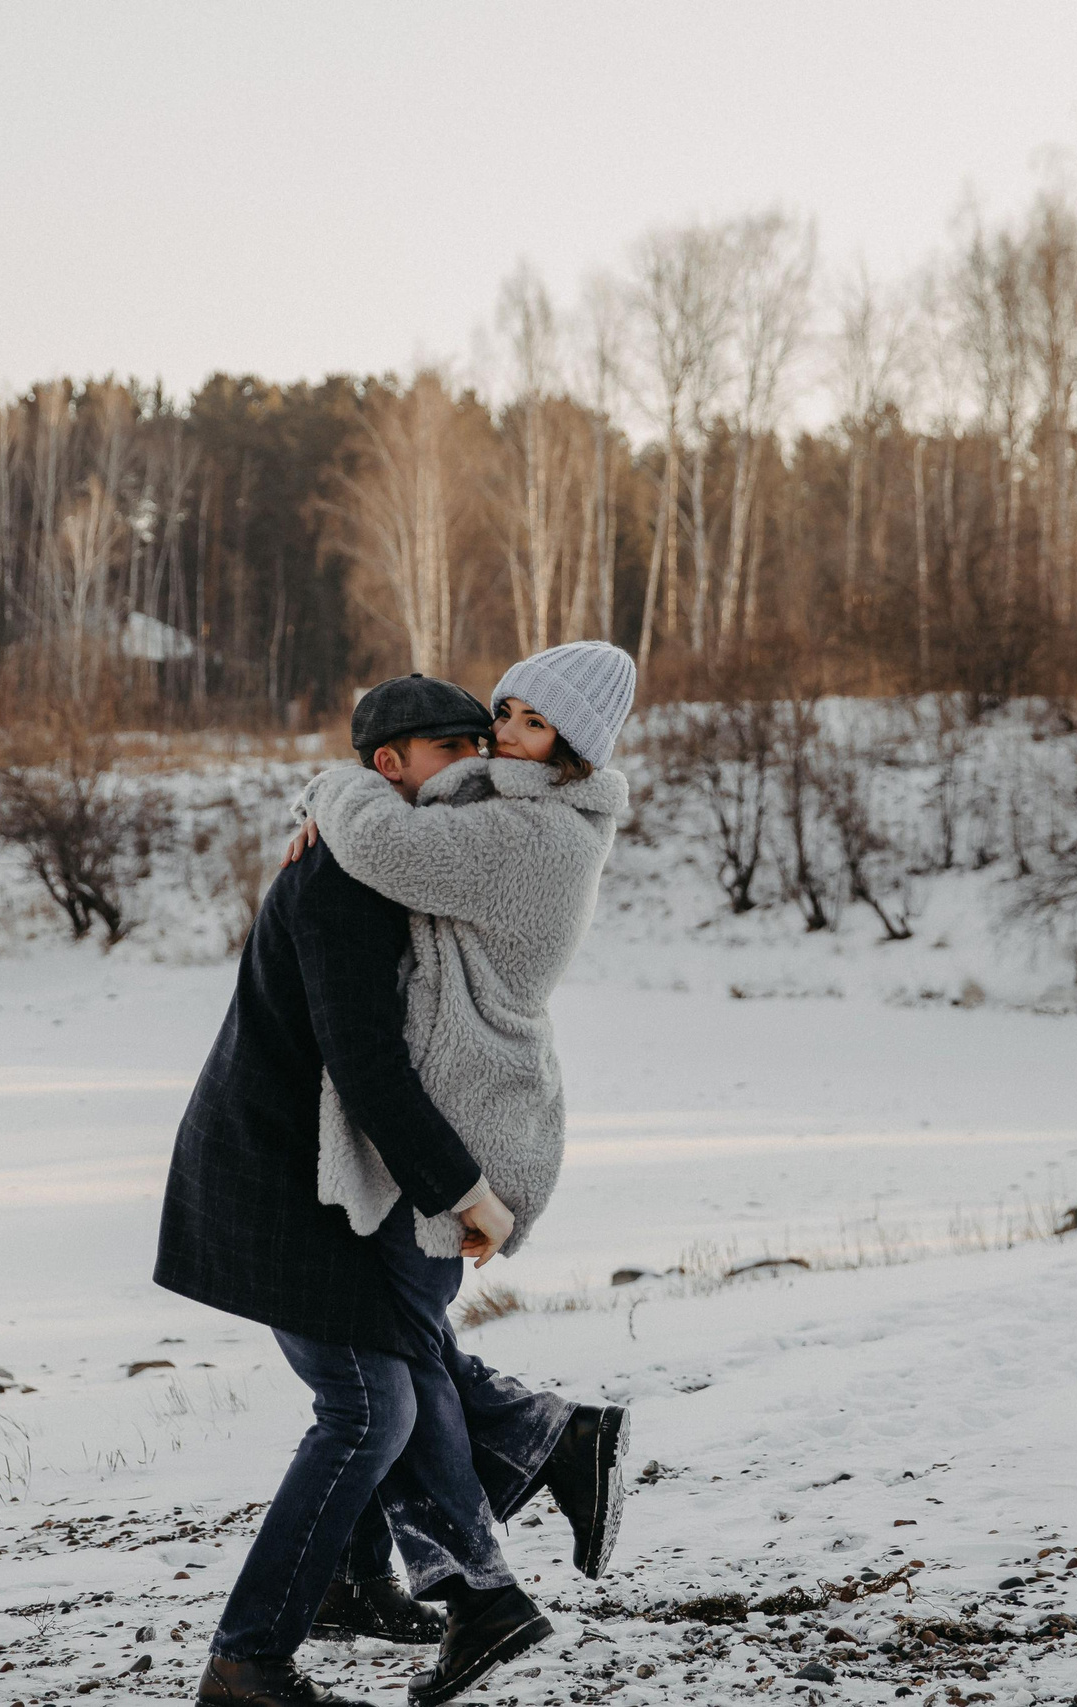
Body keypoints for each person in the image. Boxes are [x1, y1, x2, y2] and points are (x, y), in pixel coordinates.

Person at [158, 673, 585, 1707]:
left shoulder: (384, 855)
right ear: (389, 766)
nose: (475, 763)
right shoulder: (346, 881)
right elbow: (366, 1065)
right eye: (451, 749)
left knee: (386, 1373)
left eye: (481, 744)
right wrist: (463, 1190)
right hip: (271, 1178)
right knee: (365, 1407)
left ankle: (359, 1580)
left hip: (321, 1176)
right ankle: (246, 1664)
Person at [287, 640, 639, 1593]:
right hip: (452, 1105)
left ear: (576, 747)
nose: (503, 736)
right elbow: (405, 814)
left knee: (398, 1356)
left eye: (532, 723)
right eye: (504, 712)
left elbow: (391, 843)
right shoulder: (507, 804)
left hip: (475, 1118)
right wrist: (327, 807)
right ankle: (547, 1440)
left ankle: (472, 1590)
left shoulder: (538, 837)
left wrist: (330, 788)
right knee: (397, 1337)